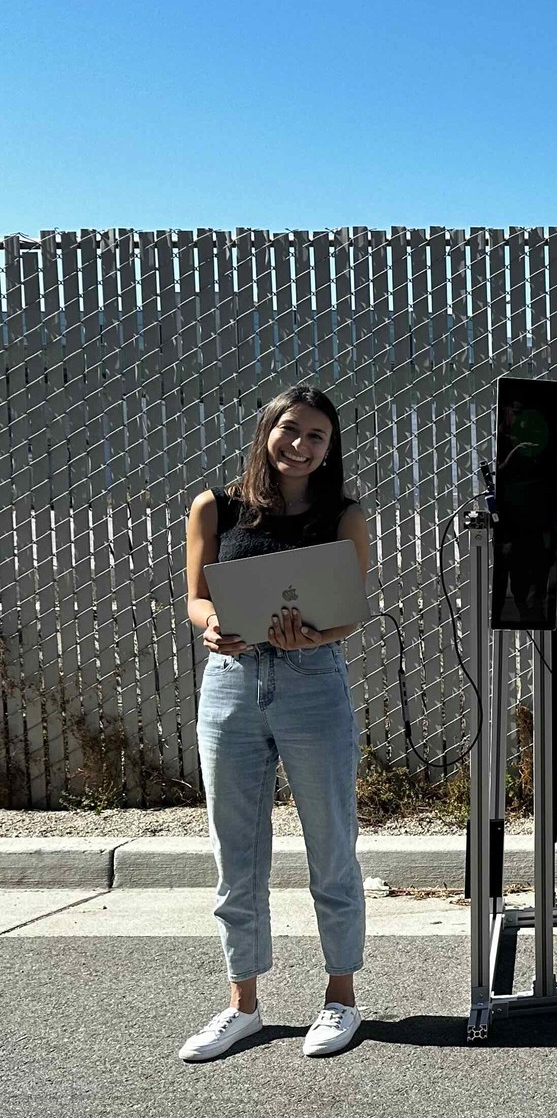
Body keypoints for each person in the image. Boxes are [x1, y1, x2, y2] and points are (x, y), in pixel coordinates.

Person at [177, 384, 372, 1062]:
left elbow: (349, 611)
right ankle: (243, 1006)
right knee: (236, 853)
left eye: (316, 436)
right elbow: (197, 597)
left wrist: (310, 636)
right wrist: (212, 629)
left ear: (329, 450)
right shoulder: (216, 507)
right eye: (291, 429)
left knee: (330, 844)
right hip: (229, 686)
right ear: (267, 431)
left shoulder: (343, 515)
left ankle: (340, 998)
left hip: (311, 685)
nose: (301, 445)